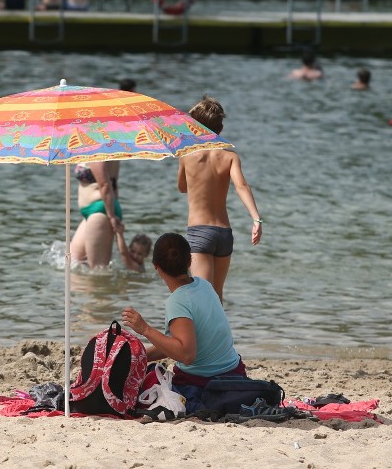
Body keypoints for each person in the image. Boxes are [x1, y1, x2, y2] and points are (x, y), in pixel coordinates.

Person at [121, 233, 246, 410]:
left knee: (145, 385)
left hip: (204, 383)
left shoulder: (177, 301)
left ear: (157, 268)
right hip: (235, 373)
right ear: (189, 261)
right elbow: (178, 344)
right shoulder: (204, 285)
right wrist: (140, 357)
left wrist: (145, 329)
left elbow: (186, 355)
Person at [179, 95, 262, 302]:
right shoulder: (231, 157)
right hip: (224, 233)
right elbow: (241, 186)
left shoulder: (186, 154)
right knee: (217, 298)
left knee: (201, 298)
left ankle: (199, 336)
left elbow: (182, 188)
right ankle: (220, 335)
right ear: (221, 129)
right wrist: (256, 219)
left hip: (200, 232)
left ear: (194, 128)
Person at [69, 160, 122, 269]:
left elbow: (105, 185)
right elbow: (113, 183)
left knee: (98, 271)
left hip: (101, 211)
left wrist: (111, 216)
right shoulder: (106, 147)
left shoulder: (98, 148)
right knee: (74, 262)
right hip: (98, 210)